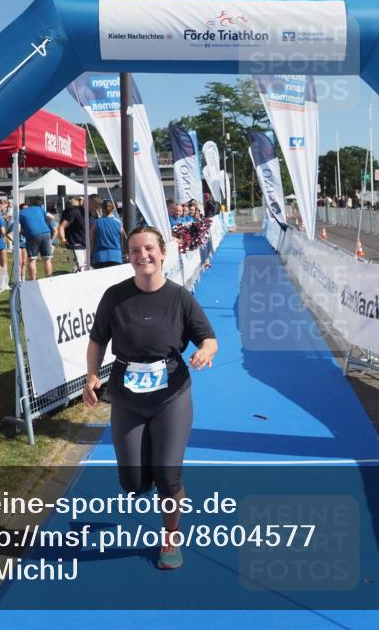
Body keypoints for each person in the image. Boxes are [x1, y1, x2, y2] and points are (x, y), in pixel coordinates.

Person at [83, 226, 218, 570]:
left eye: (149, 249)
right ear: (128, 256)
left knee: (168, 476)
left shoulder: (180, 298)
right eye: (135, 250)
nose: (142, 255)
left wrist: (205, 350)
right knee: (133, 483)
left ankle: (170, 535)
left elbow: (209, 338)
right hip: (127, 398)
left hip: (171, 396)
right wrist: (92, 376)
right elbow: (97, 341)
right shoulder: (115, 297)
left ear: (163, 253)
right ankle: (150, 483)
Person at [19, 199, 56, 280]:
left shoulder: (20, 213)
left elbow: (19, 229)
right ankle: (49, 280)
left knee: (32, 260)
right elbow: (52, 217)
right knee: (47, 259)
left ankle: (33, 281)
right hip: (46, 233)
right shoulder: (39, 209)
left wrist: (23, 233)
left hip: (32, 234)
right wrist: (46, 224)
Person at [57, 195, 88, 272]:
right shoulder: (73, 211)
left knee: (83, 269)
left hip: (82, 244)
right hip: (75, 244)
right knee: (78, 269)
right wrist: (63, 239)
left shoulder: (83, 212)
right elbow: (61, 227)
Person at [92, 200, 126, 268]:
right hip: (116, 257)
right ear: (113, 209)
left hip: (99, 257)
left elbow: (91, 241)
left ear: (102, 209)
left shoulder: (96, 223)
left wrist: (90, 255)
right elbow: (122, 241)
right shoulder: (119, 223)